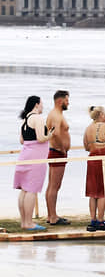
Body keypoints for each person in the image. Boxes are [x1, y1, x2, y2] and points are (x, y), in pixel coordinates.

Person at [14, 96, 55, 231]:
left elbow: (22, 140)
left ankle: (24, 222)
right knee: (32, 190)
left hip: (25, 155)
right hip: (36, 157)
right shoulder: (37, 118)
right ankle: (29, 223)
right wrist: (50, 135)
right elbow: (40, 138)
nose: (43, 106)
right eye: (42, 103)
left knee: (24, 190)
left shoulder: (25, 120)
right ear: (36, 105)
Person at [45, 89, 70, 225]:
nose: (68, 103)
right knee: (54, 186)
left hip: (56, 151)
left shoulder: (57, 114)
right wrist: (62, 148)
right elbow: (55, 133)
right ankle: (53, 217)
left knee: (52, 186)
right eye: (66, 100)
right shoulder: (55, 115)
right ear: (60, 101)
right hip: (57, 152)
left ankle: (51, 215)